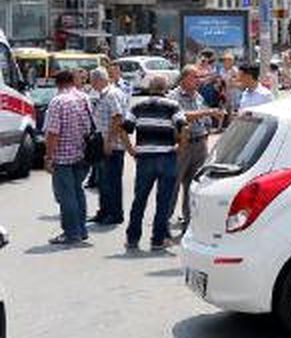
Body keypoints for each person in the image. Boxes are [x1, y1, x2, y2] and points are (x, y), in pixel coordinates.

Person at [119, 75, 186, 251]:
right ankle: (158, 240)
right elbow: (184, 127)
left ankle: (132, 238)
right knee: (163, 201)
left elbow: (124, 129)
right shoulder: (173, 106)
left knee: (139, 199)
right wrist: (180, 147)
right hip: (167, 157)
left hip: (145, 158)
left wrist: (130, 149)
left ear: (150, 88)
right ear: (165, 89)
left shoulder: (138, 106)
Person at [168, 65, 223, 232]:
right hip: (182, 145)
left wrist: (210, 126)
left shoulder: (198, 96)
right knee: (173, 185)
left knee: (194, 186)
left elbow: (205, 119)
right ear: (184, 78)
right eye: (195, 77)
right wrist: (208, 112)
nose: (198, 81)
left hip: (199, 144)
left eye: (199, 77)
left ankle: (189, 222)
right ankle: (164, 224)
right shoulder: (173, 96)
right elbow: (181, 116)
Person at [42, 70, 94, 245]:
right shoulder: (84, 98)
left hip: (63, 156)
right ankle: (81, 229)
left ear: (57, 83)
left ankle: (71, 233)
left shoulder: (58, 102)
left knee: (66, 195)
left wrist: (48, 157)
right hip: (83, 152)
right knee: (78, 191)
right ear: (72, 81)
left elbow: (53, 133)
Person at [88, 68, 128, 226]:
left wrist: (109, 141)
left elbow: (117, 117)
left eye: (92, 81)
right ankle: (104, 211)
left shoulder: (111, 94)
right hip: (104, 143)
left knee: (112, 182)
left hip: (112, 145)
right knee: (103, 181)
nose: (91, 84)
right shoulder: (105, 94)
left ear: (99, 80)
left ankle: (115, 214)